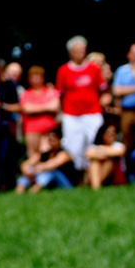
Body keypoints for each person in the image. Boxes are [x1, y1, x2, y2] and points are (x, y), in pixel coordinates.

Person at [55, 35, 106, 173]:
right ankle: (78, 174)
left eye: (82, 49)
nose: (80, 52)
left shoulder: (94, 69)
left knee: (93, 144)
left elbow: (102, 90)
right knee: (73, 146)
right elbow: (60, 94)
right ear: (70, 52)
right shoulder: (63, 70)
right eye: (77, 50)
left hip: (92, 113)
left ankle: (93, 174)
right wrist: (60, 113)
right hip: (71, 114)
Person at [15, 128, 75, 194]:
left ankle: (33, 192)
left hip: (66, 184)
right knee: (29, 170)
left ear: (59, 140)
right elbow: (25, 165)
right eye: (49, 140)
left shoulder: (64, 154)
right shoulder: (44, 153)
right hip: (48, 181)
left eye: (53, 140)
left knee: (51, 172)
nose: (51, 143)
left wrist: (35, 170)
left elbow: (52, 165)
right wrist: (28, 172)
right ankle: (19, 193)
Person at [19, 65, 60, 157]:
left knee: (48, 155)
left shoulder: (51, 91)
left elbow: (54, 107)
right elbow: (26, 109)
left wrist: (34, 108)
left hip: (49, 130)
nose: (36, 80)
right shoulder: (26, 94)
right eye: (33, 77)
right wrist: (46, 107)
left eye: (38, 77)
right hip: (31, 130)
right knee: (32, 156)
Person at [0, 62, 23, 190]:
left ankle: (8, 184)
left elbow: (18, 107)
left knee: (7, 156)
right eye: (12, 73)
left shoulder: (14, 87)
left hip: (9, 127)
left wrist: (2, 106)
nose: (13, 76)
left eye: (17, 74)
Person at [84, 122, 126, 190]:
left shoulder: (118, 145)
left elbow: (120, 152)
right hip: (96, 173)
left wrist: (101, 150)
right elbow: (88, 154)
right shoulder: (94, 146)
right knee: (94, 162)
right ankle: (96, 187)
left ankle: (96, 186)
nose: (112, 135)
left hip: (114, 176)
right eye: (109, 133)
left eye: (113, 133)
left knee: (109, 161)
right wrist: (105, 152)